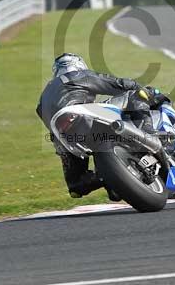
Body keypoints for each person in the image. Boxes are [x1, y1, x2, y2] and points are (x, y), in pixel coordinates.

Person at [36, 53, 167, 199]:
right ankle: (149, 132)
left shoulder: (43, 97)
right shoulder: (77, 75)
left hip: (64, 137)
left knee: (77, 186)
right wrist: (147, 92)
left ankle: (109, 179)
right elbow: (120, 84)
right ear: (78, 65)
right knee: (135, 94)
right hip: (82, 118)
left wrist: (113, 175)